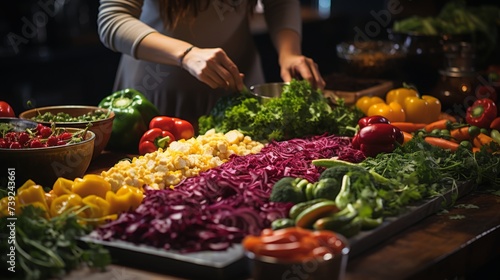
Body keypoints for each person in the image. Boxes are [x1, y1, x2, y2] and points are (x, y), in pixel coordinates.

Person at [97, 0, 325, 130]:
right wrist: (186, 55)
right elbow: (113, 19)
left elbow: (279, 3)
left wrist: (289, 53)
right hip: (157, 96)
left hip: (238, 90)